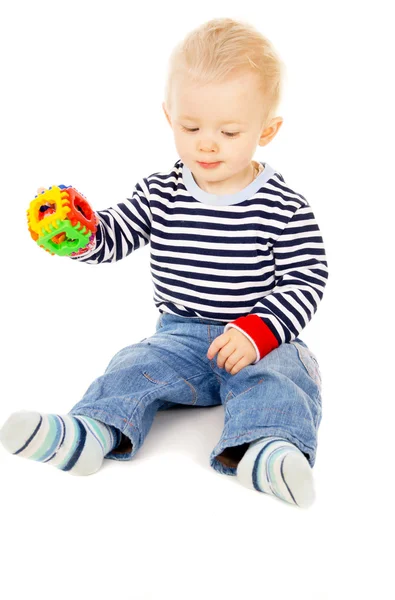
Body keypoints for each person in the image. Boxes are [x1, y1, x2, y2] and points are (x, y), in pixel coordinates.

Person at [0, 17, 328, 508]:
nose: (207, 143)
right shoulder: (161, 191)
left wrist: (260, 331)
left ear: (268, 130)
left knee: (285, 377)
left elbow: (307, 278)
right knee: (134, 364)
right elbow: (120, 232)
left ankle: (267, 449)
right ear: (168, 116)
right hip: (180, 335)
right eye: (190, 126)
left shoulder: (284, 206)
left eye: (229, 130)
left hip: (260, 337)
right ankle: (92, 431)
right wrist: (84, 235)